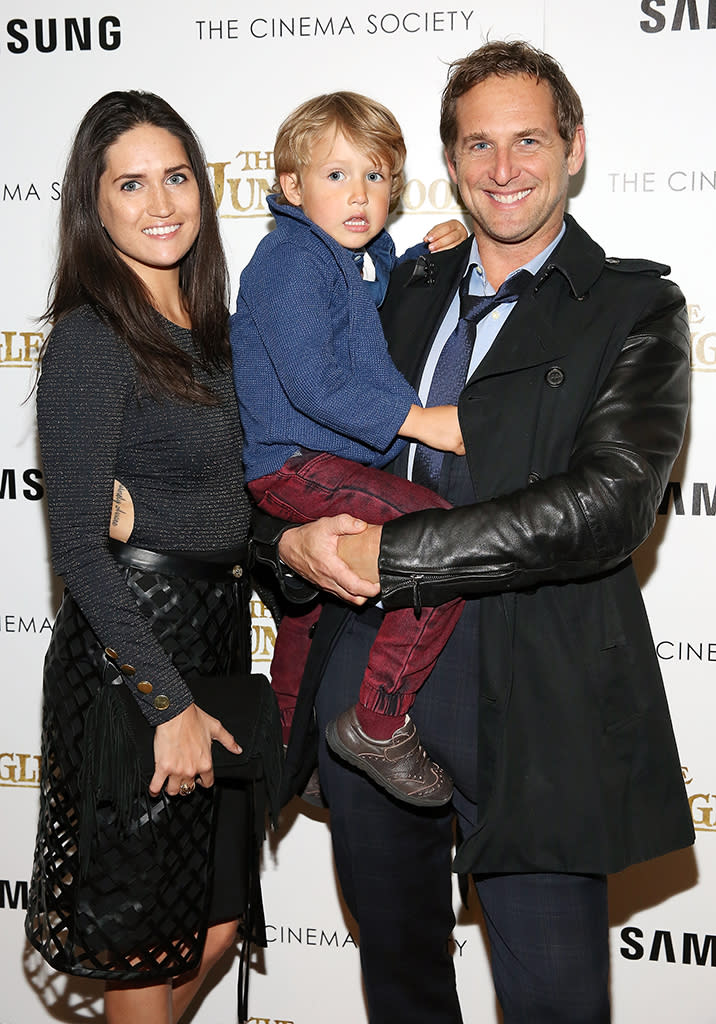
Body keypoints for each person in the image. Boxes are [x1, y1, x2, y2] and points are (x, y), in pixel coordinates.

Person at [264, 41, 696, 1024]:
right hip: (364, 672)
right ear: (451, 162)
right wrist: (282, 550)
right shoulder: (389, 290)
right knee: (402, 989)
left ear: (572, 147)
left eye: (527, 141)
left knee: (553, 1003)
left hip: (532, 682)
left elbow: (606, 505)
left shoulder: (632, 308)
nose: (502, 169)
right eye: (477, 145)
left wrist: (393, 554)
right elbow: (288, 441)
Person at [25, 90, 274, 1024]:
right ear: (97, 206)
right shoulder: (93, 338)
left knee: (213, 924)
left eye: (176, 176)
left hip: (214, 643)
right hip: (132, 665)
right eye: (130, 184)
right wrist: (165, 703)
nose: (160, 201)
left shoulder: (215, 332)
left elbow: (233, 500)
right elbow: (82, 559)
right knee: (141, 949)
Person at [232, 91, 469, 807]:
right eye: (336, 177)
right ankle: (377, 719)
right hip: (298, 466)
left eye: (375, 176)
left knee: (308, 622)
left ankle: (283, 753)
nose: (360, 195)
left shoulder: (344, 261)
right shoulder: (289, 260)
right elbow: (318, 382)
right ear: (292, 188)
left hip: (311, 468)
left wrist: (428, 250)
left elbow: (367, 308)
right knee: (434, 542)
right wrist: (423, 421)